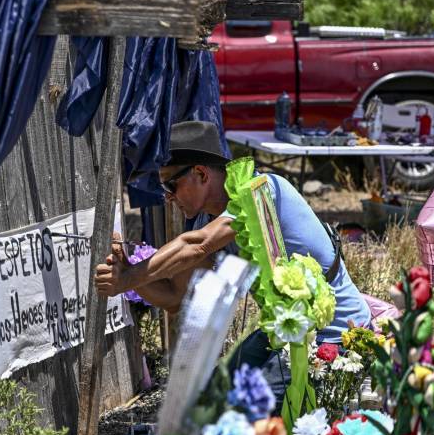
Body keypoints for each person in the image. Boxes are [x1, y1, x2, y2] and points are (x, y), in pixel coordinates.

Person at [94, 121, 371, 399]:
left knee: (245, 412)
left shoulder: (261, 191)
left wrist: (128, 278)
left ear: (201, 174)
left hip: (335, 336)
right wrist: (129, 276)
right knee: (209, 400)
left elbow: (197, 245)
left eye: (170, 185)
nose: (167, 197)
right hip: (286, 329)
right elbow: (176, 298)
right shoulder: (207, 220)